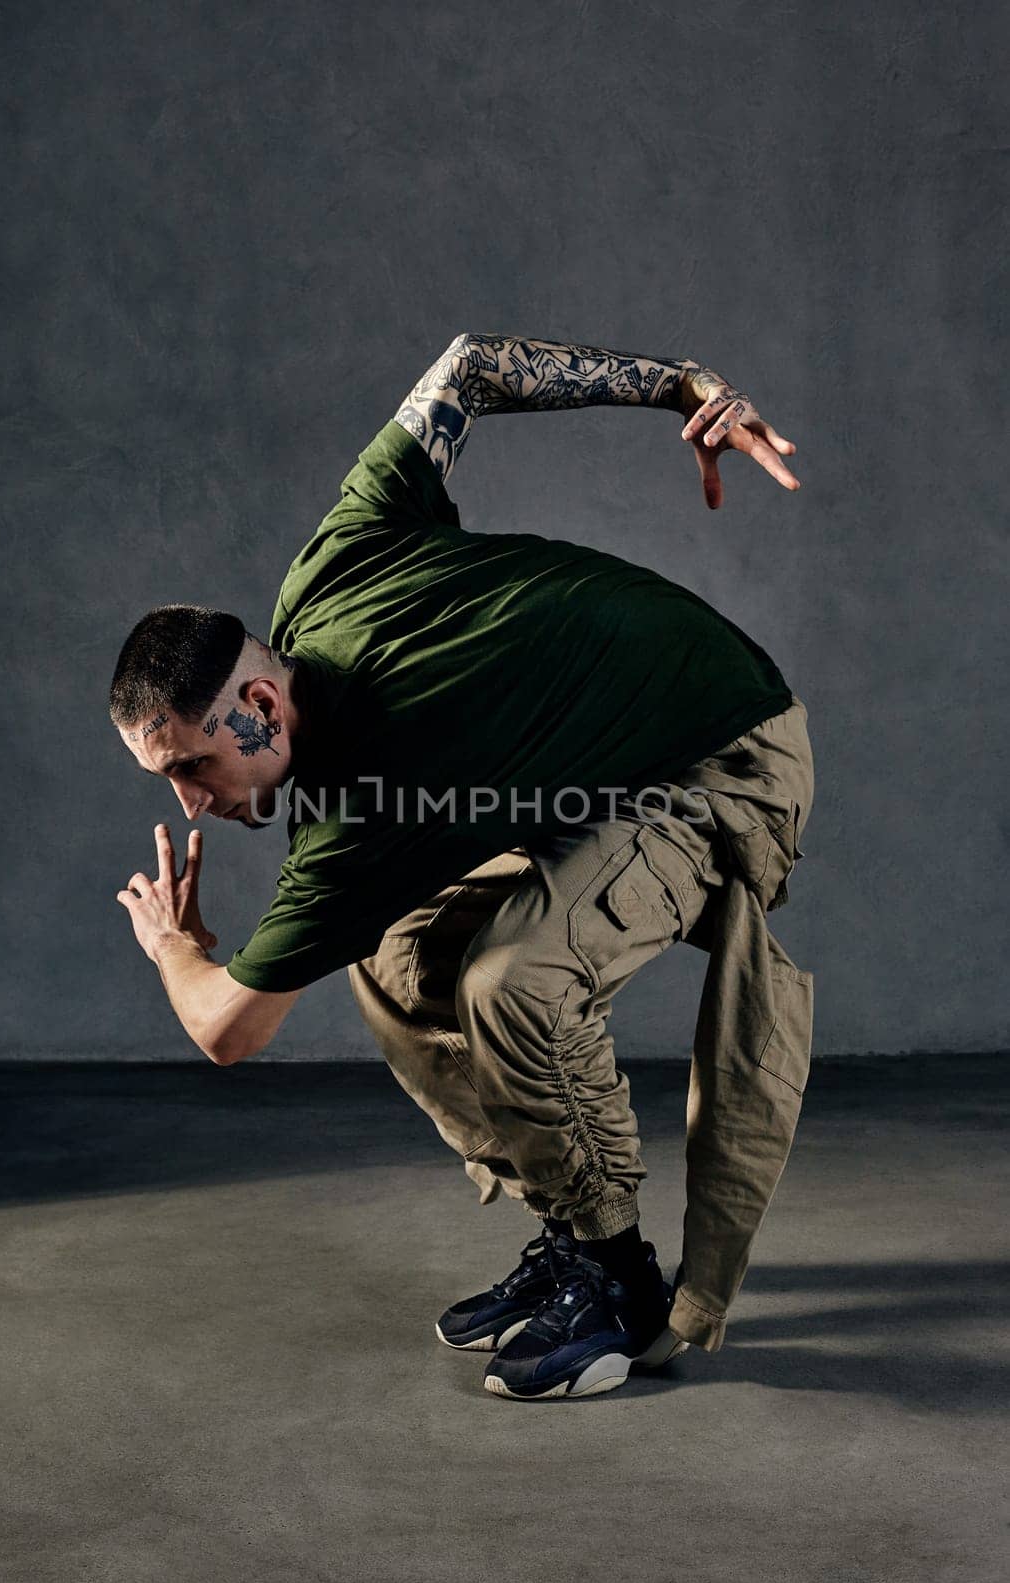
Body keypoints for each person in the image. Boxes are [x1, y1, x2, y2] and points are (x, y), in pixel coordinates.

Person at [111, 332, 815, 1401]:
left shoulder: (355, 811)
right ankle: (571, 1226)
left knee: (508, 977)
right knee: (389, 958)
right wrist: (682, 383)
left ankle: (618, 1282)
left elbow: (226, 1029)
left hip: (723, 753)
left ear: (257, 703)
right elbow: (472, 364)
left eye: (193, 764)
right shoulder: (328, 567)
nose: (192, 800)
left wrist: (176, 945)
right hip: (601, 762)